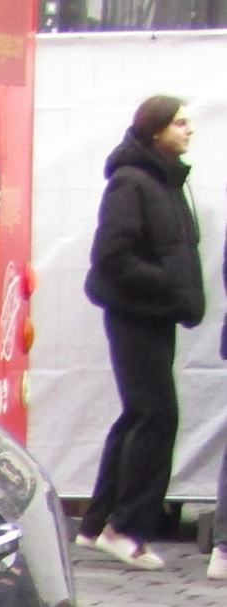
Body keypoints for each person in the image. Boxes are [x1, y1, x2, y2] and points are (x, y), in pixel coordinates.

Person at [80, 95, 202, 571]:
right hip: (136, 314)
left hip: (156, 313)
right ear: (156, 131)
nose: (189, 130)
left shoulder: (165, 180)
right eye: (180, 123)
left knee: (138, 414)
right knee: (157, 415)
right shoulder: (133, 182)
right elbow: (113, 255)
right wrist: (167, 285)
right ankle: (126, 528)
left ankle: (94, 525)